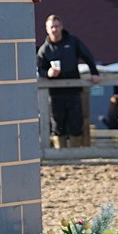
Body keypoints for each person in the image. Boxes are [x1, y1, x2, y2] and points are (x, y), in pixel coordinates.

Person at [36, 15, 101, 148]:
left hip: (74, 91)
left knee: (76, 122)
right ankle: (60, 153)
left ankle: (74, 151)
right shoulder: (44, 49)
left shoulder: (72, 42)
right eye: (52, 27)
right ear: (47, 29)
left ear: (62, 27)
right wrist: (48, 73)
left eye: (57, 26)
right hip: (55, 93)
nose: (55, 29)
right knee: (57, 123)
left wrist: (94, 73)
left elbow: (88, 57)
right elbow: (40, 69)